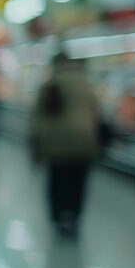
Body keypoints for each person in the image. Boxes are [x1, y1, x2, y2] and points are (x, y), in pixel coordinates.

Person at [30, 52, 101, 237]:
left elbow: (38, 118)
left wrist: (36, 145)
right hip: (83, 142)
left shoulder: (49, 85)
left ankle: (58, 218)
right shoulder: (86, 84)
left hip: (56, 144)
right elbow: (96, 113)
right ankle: (75, 218)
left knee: (57, 182)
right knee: (78, 183)